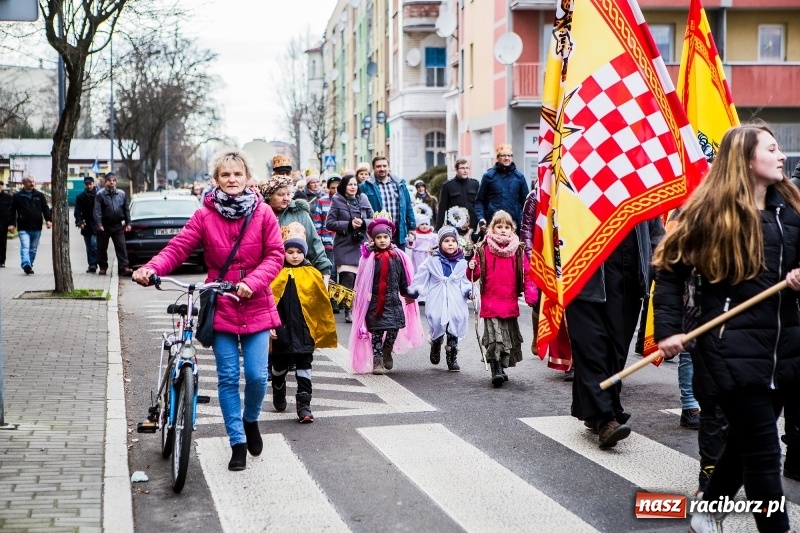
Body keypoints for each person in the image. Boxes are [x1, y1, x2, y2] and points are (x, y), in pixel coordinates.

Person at [653, 124, 800, 533]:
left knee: (743, 445)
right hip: (727, 351)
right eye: (772, 149)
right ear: (746, 159)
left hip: (782, 351)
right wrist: (667, 331)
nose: (782, 156)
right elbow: (668, 271)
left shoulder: (791, 208)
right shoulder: (707, 213)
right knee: (765, 457)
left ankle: (706, 509)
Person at [132, 149, 284, 472]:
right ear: (216, 179)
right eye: (225, 175)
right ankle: (237, 442)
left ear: (247, 178)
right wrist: (150, 268)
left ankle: (251, 419)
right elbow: (178, 247)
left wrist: (254, 282)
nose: (232, 180)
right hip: (221, 304)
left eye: (237, 174)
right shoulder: (204, 215)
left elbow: (275, 255)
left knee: (257, 377)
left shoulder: (263, 214)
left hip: (255, 302)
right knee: (228, 378)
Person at [269, 222, 337, 423]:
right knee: (279, 365)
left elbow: (320, 303)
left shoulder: (312, 273)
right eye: (290, 251)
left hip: (305, 329)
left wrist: (319, 328)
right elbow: (267, 301)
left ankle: (304, 406)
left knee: (304, 366)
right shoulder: (274, 273)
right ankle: (278, 387)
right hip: (281, 329)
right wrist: (269, 324)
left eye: (299, 251)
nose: (295, 255)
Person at [349, 216, 422, 375]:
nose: (382, 240)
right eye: (378, 237)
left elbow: (403, 278)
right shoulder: (368, 257)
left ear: (390, 238)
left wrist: (406, 293)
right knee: (376, 331)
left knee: (394, 329)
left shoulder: (398, 256)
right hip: (374, 302)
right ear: (373, 239)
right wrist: (360, 298)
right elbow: (361, 279)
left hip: (394, 301)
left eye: (385, 237)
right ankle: (378, 360)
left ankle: (387, 349)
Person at [467, 210, 525, 387]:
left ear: (512, 229)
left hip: (509, 299)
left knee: (506, 337)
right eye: (499, 226)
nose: (503, 230)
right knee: (494, 337)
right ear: (492, 228)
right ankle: (495, 368)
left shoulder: (517, 250)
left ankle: (502, 366)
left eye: (507, 227)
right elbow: (474, 275)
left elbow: (525, 272)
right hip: (491, 300)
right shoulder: (483, 249)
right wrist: (471, 266)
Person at [408, 225, 472, 372]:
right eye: (446, 241)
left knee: (454, 323)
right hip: (437, 298)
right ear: (439, 243)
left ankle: (452, 355)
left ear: (457, 243)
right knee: (436, 320)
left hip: (456, 300)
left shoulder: (462, 263)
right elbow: (421, 277)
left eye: (453, 241)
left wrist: (469, 292)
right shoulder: (431, 261)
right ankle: (436, 342)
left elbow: (465, 281)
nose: (450, 244)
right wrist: (413, 292)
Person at [259, 175, 331, 280]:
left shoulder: (299, 213)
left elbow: (314, 243)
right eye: (280, 195)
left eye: (288, 194)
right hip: (267, 275)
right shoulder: (260, 214)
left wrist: (324, 269)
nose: (286, 198)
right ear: (269, 196)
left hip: (296, 275)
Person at [325, 174, 374, 323]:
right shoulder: (337, 200)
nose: (353, 187)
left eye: (355, 184)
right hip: (344, 244)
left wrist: (363, 222)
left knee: (361, 279)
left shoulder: (363, 198)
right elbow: (330, 223)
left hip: (361, 244)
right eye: (349, 184)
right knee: (348, 277)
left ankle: (361, 307)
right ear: (344, 186)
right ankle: (348, 309)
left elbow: (373, 219)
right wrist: (349, 224)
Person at [359, 156, 416, 250]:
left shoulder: (400, 184)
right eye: (378, 166)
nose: (382, 169)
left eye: (384, 166)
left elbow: (408, 206)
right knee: (379, 263)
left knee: (398, 261)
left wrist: (412, 227)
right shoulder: (365, 186)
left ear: (388, 167)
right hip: (377, 234)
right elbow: (361, 210)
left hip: (398, 233)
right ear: (373, 168)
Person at [475, 144, 529, 233]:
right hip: (493, 226)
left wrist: (523, 221)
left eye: (509, 155)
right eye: (503, 155)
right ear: (497, 157)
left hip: (514, 226)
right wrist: (481, 218)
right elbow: (479, 201)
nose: (507, 158)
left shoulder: (519, 177)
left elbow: (526, 204)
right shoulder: (488, 177)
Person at [7, 176, 52, 275]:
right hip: (23, 227)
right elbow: (12, 211)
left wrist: (48, 220)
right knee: (25, 246)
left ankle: (29, 265)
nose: (32, 183)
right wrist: (11, 224)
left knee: (33, 249)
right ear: (24, 183)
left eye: (33, 181)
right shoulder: (18, 196)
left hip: (36, 226)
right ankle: (26, 264)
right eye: (29, 182)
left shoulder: (39, 195)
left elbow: (45, 208)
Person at [311, 174, 341, 313]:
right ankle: (332, 299)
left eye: (338, 187)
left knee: (345, 273)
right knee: (332, 272)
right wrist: (319, 242)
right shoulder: (322, 201)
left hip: (342, 243)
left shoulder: (344, 201)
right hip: (328, 243)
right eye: (333, 188)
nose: (335, 190)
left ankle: (343, 299)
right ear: (328, 188)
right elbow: (317, 223)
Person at [93, 172, 133, 276]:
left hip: (117, 225)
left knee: (121, 246)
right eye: (110, 180)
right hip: (104, 226)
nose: (112, 182)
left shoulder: (121, 194)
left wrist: (128, 223)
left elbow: (126, 209)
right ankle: (103, 267)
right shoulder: (100, 195)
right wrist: (99, 224)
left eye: (114, 180)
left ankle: (124, 267)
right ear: (105, 182)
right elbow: (97, 211)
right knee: (102, 247)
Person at [436, 158, 479, 230]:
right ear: (456, 170)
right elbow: (442, 209)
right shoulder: (448, 186)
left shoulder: (475, 184)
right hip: (455, 225)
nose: (465, 171)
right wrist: (438, 229)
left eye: (467, 168)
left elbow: (479, 205)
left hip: (472, 226)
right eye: (462, 168)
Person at [74, 176, 98, 273]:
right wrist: (79, 221)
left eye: (90, 184)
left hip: (97, 224)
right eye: (87, 184)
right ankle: (92, 264)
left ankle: (96, 262)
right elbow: (77, 211)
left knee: (94, 243)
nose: (89, 186)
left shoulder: (99, 195)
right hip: (86, 224)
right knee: (89, 246)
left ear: (93, 184)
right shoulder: (80, 197)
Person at [406, 206, 438, 275]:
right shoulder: (416, 235)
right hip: (418, 254)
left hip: (429, 254)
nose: (424, 226)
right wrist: (411, 240)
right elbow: (411, 246)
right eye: (422, 224)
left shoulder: (432, 236)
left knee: (428, 268)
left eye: (426, 224)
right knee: (418, 268)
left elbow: (436, 245)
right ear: (418, 225)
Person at [0, 182, 12, 268]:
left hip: (3, 224)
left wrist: (11, 224)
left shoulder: (8, 198)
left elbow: (12, 212)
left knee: (2, 243)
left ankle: (2, 260)